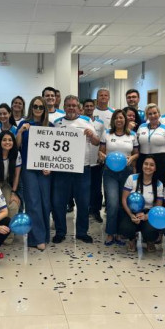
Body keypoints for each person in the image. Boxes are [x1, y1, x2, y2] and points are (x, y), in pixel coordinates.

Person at [52, 95, 101, 243]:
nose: (71, 108)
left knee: (83, 202)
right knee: (59, 202)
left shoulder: (86, 121)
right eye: (68, 105)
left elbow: (96, 142)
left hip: (82, 168)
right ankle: (60, 232)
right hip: (62, 169)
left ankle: (82, 232)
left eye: (74, 105)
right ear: (64, 107)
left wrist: (92, 135)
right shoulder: (56, 123)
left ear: (78, 107)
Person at [16, 96, 53, 250]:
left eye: (41, 107)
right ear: (31, 107)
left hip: (45, 169)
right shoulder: (24, 124)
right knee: (32, 202)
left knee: (45, 202)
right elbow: (17, 146)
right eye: (35, 106)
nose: (38, 109)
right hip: (28, 168)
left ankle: (44, 235)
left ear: (45, 109)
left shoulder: (50, 126)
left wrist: (50, 166)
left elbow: (54, 151)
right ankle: (36, 238)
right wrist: (21, 131)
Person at [99, 109, 138, 246]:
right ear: (113, 120)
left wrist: (132, 158)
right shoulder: (107, 134)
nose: (119, 120)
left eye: (121, 117)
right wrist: (102, 156)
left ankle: (121, 233)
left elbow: (137, 153)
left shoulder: (132, 135)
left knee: (124, 203)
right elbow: (101, 152)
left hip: (127, 172)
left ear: (125, 120)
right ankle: (111, 232)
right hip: (110, 172)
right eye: (116, 118)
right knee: (112, 202)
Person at [120, 157, 164, 253]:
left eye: (151, 165)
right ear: (142, 165)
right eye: (146, 164)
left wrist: (146, 216)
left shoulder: (159, 184)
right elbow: (124, 199)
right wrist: (131, 215)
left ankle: (149, 240)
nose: (148, 167)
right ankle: (132, 239)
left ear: (155, 168)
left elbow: (158, 207)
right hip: (131, 211)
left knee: (151, 231)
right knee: (126, 228)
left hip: (149, 212)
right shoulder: (132, 178)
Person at [136, 103, 165, 184]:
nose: (153, 116)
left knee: (160, 185)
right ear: (147, 115)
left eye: (155, 113)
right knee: (143, 185)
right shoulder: (141, 127)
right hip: (143, 160)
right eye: (150, 114)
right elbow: (136, 146)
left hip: (161, 161)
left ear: (159, 114)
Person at [82, 98, 106, 223]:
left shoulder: (100, 123)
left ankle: (96, 211)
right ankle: (85, 211)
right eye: (86, 106)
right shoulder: (80, 121)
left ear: (94, 107)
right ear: (83, 108)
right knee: (84, 189)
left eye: (91, 106)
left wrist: (101, 155)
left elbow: (102, 141)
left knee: (96, 189)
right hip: (83, 162)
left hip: (96, 161)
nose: (89, 108)